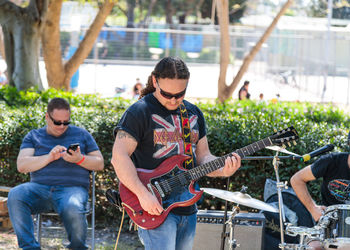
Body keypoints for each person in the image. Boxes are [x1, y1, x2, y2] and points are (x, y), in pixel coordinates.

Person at [111, 57, 241, 250]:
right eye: (167, 94)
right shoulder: (139, 112)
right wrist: (143, 195)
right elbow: (118, 158)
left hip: (188, 207)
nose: (173, 100)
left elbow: (203, 157)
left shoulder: (193, 113)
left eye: (180, 94)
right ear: (155, 81)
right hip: (154, 205)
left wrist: (224, 169)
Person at [7, 97, 104, 250]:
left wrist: (79, 159)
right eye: (57, 122)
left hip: (72, 190)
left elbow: (99, 162)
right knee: (15, 194)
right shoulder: (34, 136)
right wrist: (49, 157)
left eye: (66, 122)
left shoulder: (82, 134)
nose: (61, 126)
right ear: (47, 117)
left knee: (72, 206)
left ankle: (77, 247)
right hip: (40, 190)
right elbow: (22, 165)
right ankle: (30, 248)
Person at [290, 138, 349, 249]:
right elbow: (297, 179)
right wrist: (313, 209)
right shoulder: (332, 161)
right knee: (314, 247)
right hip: (327, 228)